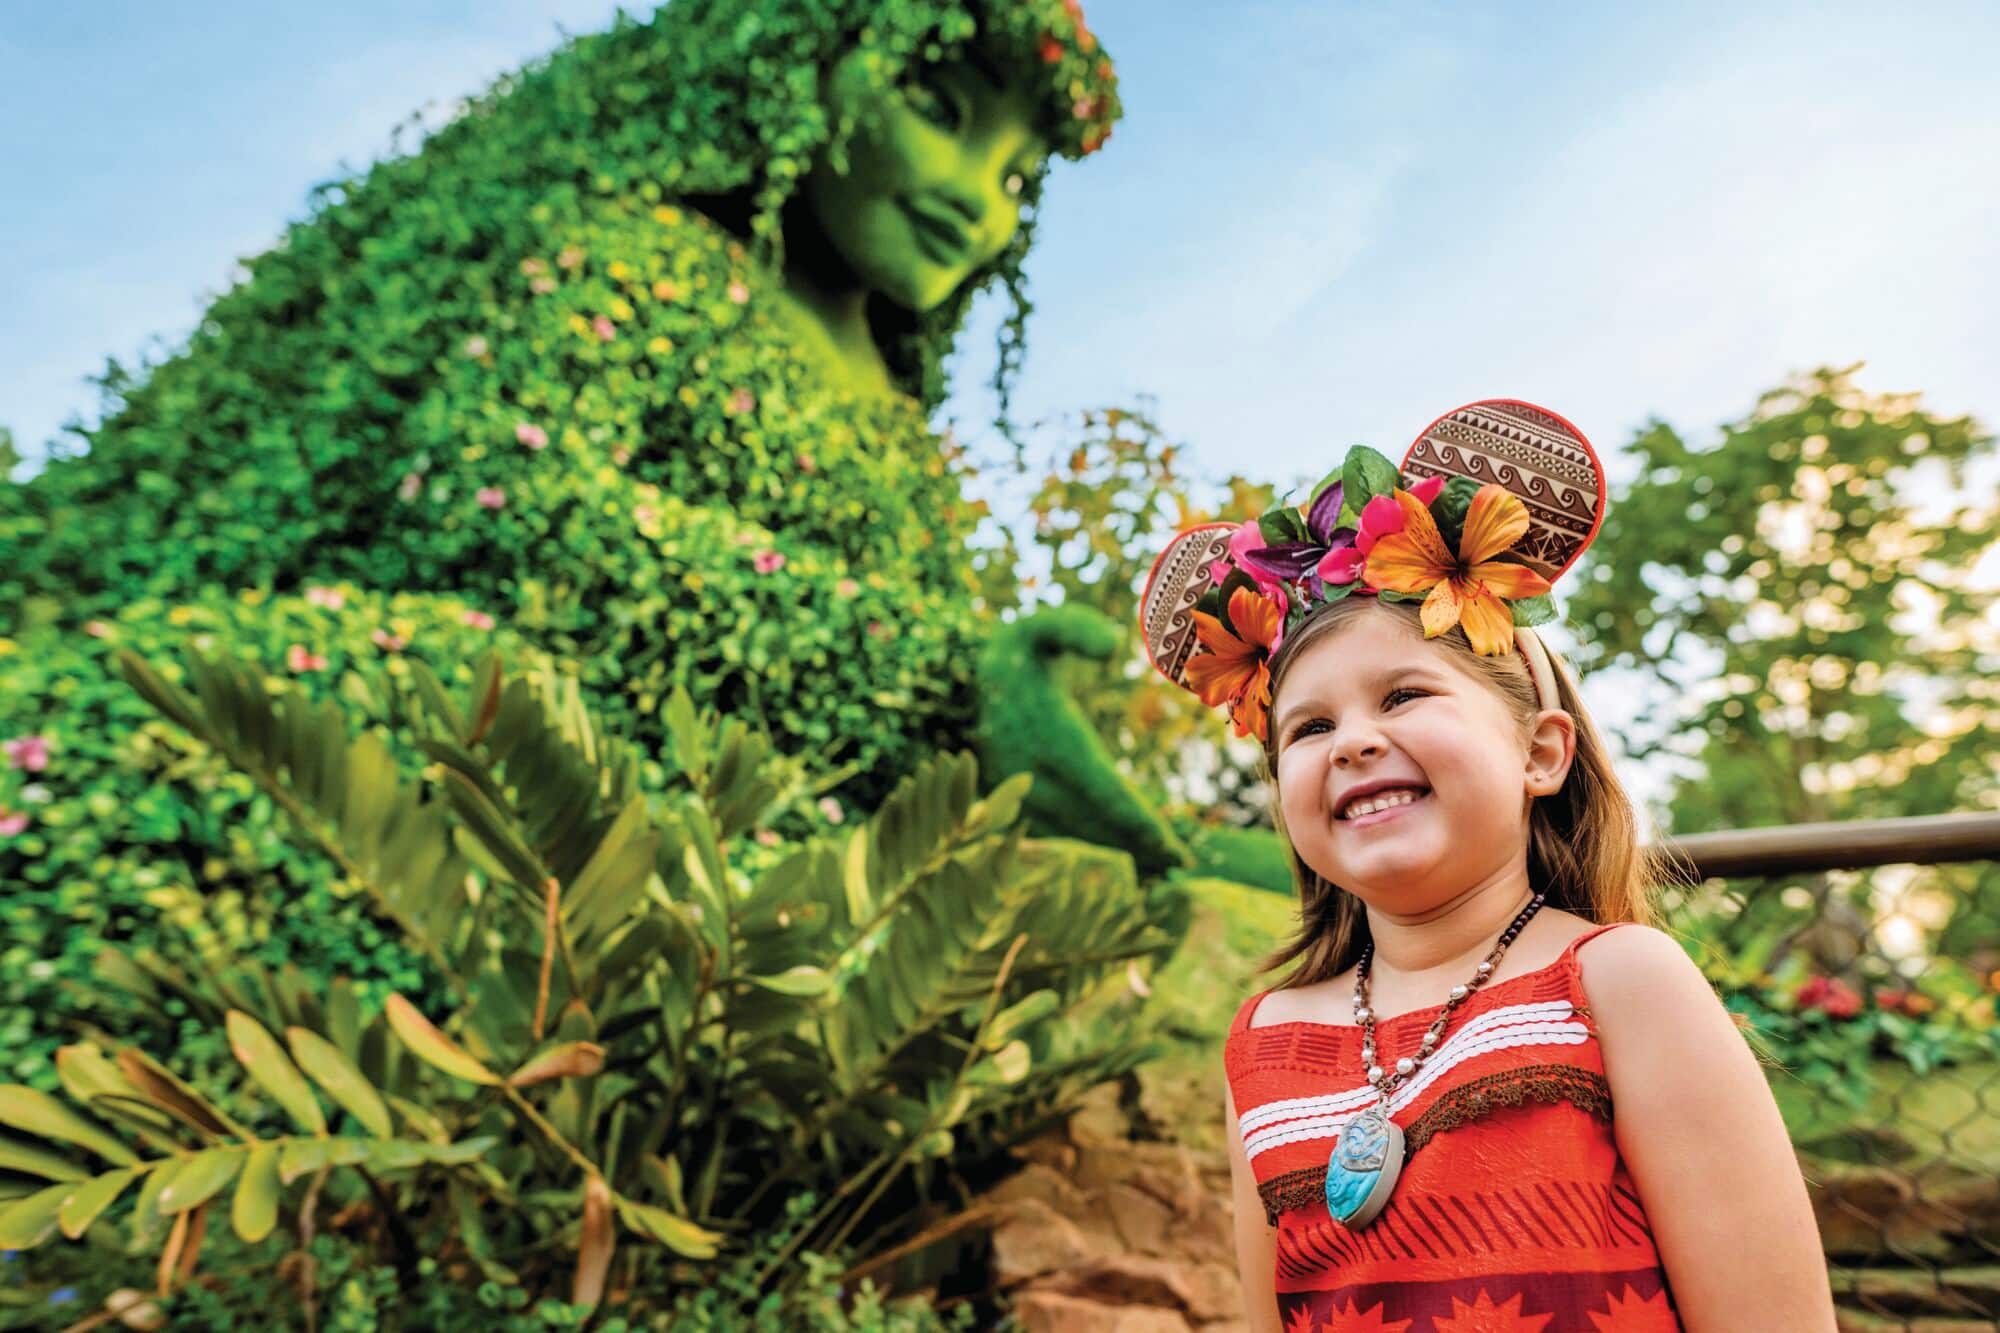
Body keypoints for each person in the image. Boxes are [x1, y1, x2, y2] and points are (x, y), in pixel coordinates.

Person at [1140, 401, 1836, 1330]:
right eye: (1308, 726)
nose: (1352, 742)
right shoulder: (1262, 1042)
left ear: (1540, 754)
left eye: (1403, 694)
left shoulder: (1619, 980)